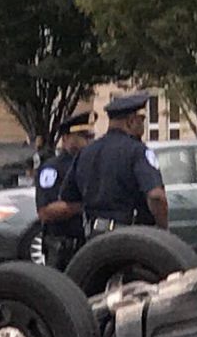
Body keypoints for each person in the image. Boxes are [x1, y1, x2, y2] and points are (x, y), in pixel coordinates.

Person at [59, 92, 168, 237]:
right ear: (130, 122)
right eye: (141, 120)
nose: (142, 126)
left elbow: (68, 197)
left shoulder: (86, 152)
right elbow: (156, 196)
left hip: (94, 237)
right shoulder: (137, 151)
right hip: (131, 237)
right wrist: (163, 231)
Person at [34, 112, 94, 269]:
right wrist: (84, 205)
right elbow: (46, 212)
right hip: (63, 248)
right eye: (82, 136)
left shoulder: (90, 165)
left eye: (90, 136)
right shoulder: (53, 169)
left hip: (89, 245)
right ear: (66, 138)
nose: (88, 141)